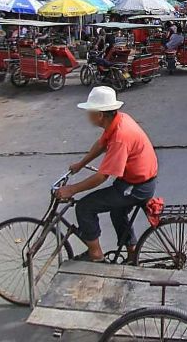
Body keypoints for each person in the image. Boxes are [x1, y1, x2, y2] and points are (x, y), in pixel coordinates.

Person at [56, 86, 159, 262]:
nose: (87, 114)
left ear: (100, 114)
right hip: (136, 180)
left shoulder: (120, 136)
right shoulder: (119, 120)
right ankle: (132, 253)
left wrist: (72, 189)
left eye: (89, 111)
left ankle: (95, 255)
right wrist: (81, 164)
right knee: (117, 211)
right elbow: (101, 144)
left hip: (137, 186)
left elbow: (102, 176)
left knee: (85, 207)